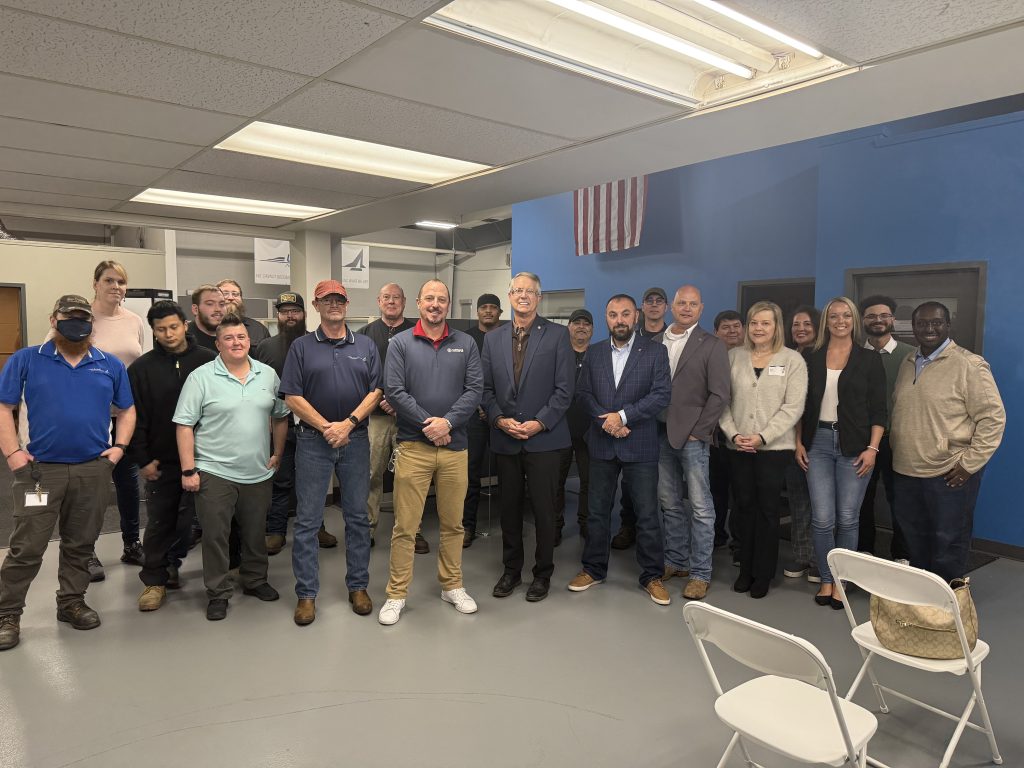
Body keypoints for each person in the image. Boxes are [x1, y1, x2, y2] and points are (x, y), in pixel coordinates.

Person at [0, 295, 136, 651]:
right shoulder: (27, 359)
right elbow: (4, 406)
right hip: (39, 473)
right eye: (69, 316)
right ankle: (7, 613)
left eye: (83, 318)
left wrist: (119, 448)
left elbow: (127, 409)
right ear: (54, 319)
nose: (77, 323)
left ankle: (71, 602)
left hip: (92, 470)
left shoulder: (108, 364)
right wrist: (13, 453)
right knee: (27, 546)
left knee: (81, 543)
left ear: (92, 324)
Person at [377, 280, 483, 625]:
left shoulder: (466, 343)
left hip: (455, 448)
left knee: (453, 524)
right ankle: (396, 593)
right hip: (413, 447)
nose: (435, 304)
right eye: (429, 298)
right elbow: (394, 391)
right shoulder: (400, 343)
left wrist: (447, 423)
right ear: (419, 303)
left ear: (448, 305)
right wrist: (430, 425)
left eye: (441, 299)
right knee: (405, 527)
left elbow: (474, 390)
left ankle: (452, 585)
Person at [173, 314, 289, 621]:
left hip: (257, 471)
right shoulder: (201, 377)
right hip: (214, 471)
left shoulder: (267, 375)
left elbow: (280, 415)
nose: (236, 343)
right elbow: (184, 425)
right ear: (218, 344)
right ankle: (218, 591)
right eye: (228, 338)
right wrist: (189, 470)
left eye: (241, 337)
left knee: (255, 532)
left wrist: (278, 453)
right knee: (215, 536)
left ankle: (255, 580)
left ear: (249, 341)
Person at [279, 280, 382, 626]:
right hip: (313, 441)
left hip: (355, 440)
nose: (334, 305)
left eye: (339, 300)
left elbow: (376, 391)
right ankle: (306, 594)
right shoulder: (301, 347)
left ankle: (358, 587)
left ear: (347, 304)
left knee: (357, 517)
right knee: (308, 521)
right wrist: (327, 427)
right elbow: (291, 395)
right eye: (327, 300)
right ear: (316, 306)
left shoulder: (365, 345)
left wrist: (347, 425)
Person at [890, 301, 1005, 583]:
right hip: (906, 470)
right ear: (913, 327)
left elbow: (993, 418)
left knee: (948, 541)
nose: (929, 328)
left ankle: (947, 599)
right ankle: (922, 594)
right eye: (922, 323)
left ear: (948, 325)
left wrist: (970, 464)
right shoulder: (908, 362)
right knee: (913, 539)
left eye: (936, 322)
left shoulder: (969, 365)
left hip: (948, 472)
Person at [568, 295, 671, 605]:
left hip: (640, 443)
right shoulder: (595, 352)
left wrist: (623, 417)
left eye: (625, 314)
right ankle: (593, 569)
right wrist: (607, 422)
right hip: (602, 442)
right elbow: (583, 394)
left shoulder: (655, 351)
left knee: (647, 514)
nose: (619, 320)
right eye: (613, 315)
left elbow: (661, 394)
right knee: (597, 512)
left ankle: (652, 575)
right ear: (607, 318)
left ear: (636, 316)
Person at [482, 272, 573, 603]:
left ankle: (543, 574)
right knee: (508, 510)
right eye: (517, 290)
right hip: (506, 438)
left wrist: (539, 423)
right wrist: (499, 419)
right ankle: (511, 571)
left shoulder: (558, 335)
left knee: (545, 511)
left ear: (539, 297)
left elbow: (565, 390)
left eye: (530, 291)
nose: (523, 295)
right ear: (509, 296)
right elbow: (485, 389)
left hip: (545, 440)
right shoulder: (492, 339)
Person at [796, 297, 886, 609]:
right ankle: (826, 579)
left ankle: (842, 583)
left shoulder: (869, 359)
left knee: (847, 518)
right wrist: (799, 442)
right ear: (826, 321)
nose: (840, 321)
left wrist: (873, 448)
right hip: (817, 443)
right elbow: (802, 406)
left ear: (854, 320)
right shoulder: (811, 357)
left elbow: (879, 409)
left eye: (846, 315)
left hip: (856, 446)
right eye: (834, 316)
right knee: (822, 519)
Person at [129, 301, 215, 611]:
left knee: (207, 520)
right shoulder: (141, 369)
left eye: (173, 327)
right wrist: (142, 458)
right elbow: (133, 416)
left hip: (208, 458)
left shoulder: (209, 360)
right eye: (161, 329)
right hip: (162, 460)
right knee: (160, 522)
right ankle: (155, 580)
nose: (168, 334)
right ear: (153, 331)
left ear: (185, 325)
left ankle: (220, 571)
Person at [718, 302, 807, 599]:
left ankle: (763, 573)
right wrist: (734, 433)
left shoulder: (792, 360)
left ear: (776, 326)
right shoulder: (733, 357)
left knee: (768, 510)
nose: (759, 328)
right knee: (744, 507)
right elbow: (722, 401)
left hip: (774, 448)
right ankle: (745, 568)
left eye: (766, 323)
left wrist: (762, 437)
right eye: (754, 322)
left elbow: (793, 407)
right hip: (738, 446)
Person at [658, 284, 730, 601]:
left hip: (692, 437)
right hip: (658, 433)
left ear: (700, 309)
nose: (686, 308)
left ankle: (700, 572)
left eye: (693, 304)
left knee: (701, 507)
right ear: (672, 307)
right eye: (681, 303)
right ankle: (676, 560)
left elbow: (720, 394)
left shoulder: (712, 345)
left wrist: (699, 431)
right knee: (669, 502)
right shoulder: (655, 341)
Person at [254, 292, 337, 555]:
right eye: (284, 311)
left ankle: (317, 528)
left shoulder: (317, 343)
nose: (290, 316)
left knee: (313, 482)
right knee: (280, 480)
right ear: (278, 315)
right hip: (278, 425)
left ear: (304, 313)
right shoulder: (265, 348)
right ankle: (276, 531)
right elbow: (259, 388)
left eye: (295, 311)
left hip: (312, 426)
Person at [79, 261, 147, 579]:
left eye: (121, 281)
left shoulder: (134, 321)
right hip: (88, 416)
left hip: (125, 415)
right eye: (108, 280)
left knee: (128, 483)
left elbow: (139, 364)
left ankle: (132, 544)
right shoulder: (80, 319)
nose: (115, 287)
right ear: (95, 284)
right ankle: (86, 551)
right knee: (91, 484)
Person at [357, 283, 416, 549]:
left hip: (410, 417)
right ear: (378, 301)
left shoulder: (418, 332)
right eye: (386, 297)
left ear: (404, 301)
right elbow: (360, 374)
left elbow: (424, 372)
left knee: (410, 476)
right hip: (377, 417)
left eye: (396, 297)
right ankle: (367, 527)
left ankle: (412, 531)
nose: (391, 301)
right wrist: (380, 398)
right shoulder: (365, 335)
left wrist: (400, 401)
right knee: (372, 473)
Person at [858, 295, 915, 561]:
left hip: (898, 440)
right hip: (862, 440)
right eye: (871, 316)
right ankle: (864, 549)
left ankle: (901, 554)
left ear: (892, 319)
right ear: (863, 320)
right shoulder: (854, 354)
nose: (878, 320)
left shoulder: (910, 355)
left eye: (884, 315)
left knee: (901, 499)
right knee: (861, 498)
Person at [612, 286, 670, 549]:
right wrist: (621, 419)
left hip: (664, 424)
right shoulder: (625, 335)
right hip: (629, 425)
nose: (654, 305)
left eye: (659, 301)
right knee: (629, 484)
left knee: (662, 488)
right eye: (649, 301)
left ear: (666, 307)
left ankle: (664, 539)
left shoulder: (671, 337)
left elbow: (662, 390)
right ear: (641, 310)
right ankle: (628, 526)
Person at [782, 305, 821, 582]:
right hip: (787, 440)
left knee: (820, 505)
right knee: (798, 501)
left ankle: (820, 561)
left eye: (807, 324)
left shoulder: (823, 358)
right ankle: (801, 556)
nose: (801, 329)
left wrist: (802, 440)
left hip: (816, 440)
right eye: (796, 324)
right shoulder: (786, 357)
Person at [462, 293, 503, 547]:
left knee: (509, 471)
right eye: (483, 307)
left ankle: (511, 523)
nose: (488, 311)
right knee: (470, 473)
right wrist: (478, 405)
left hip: (502, 415)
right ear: (477, 311)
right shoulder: (466, 339)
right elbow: (462, 376)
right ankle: (467, 525)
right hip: (474, 416)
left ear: (499, 312)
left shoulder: (509, 336)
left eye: (493, 307)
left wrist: (495, 409)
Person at [557, 308, 594, 541]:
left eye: (586, 324)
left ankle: (586, 523)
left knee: (589, 481)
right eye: (576, 323)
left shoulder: (599, 356)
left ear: (592, 329)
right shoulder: (558, 354)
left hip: (590, 430)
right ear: (569, 327)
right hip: (559, 429)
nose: (581, 327)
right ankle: (555, 526)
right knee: (556, 481)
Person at [710, 309, 744, 551]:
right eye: (726, 327)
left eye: (736, 326)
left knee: (741, 491)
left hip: (744, 436)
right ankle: (715, 535)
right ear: (716, 332)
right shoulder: (710, 357)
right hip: (715, 436)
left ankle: (740, 541)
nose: (732, 331)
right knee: (715, 490)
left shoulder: (754, 358)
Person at [217, 279, 270, 346]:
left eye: (235, 294)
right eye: (225, 294)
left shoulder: (258, 329)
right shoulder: (207, 327)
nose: (231, 298)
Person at [190, 284, 226, 352]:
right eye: (210, 304)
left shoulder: (233, 338)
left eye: (222, 304)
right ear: (195, 309)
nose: (218, 309)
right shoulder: (183, 339)